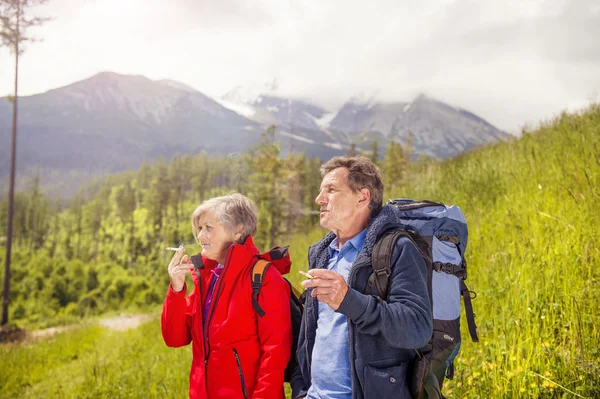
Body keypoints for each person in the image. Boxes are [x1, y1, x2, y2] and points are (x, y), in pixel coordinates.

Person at [293, 156, 433, 399]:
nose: (319, 199)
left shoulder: (395, 249)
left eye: (331, 189)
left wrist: (349, 300)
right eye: (320, 190)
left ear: (363, 197)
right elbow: (311, 334)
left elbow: (417, 327)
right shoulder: (321, 254)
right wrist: (300, 390)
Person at [161, 193, 292, 399]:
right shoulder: (207, 278)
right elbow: (175, 338)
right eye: (200, 229)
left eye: (208, 228)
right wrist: (177, 289)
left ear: (238, 231)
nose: (200, 236)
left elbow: (276, 353)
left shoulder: (264, 277)